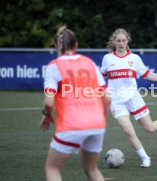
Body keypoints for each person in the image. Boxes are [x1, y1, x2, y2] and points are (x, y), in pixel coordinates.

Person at [100, 28, 157, 168]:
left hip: (133, 98)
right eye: (118, 40)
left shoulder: (135, 58)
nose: (120, 43)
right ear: (114, 41)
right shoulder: (107, 59)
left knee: (149, 128)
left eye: (123, 40)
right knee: (128, 130)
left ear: (127, 41)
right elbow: (101, 77)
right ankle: (145, 158)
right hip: (116, 101)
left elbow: (148, 74)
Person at [40, 26, 110, 181]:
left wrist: (46, 115)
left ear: (56, 46)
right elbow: (107, 98)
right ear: (76, 45)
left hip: (71, 125)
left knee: (52, 168)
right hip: (97, 124)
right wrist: (101, 118)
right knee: (91, 169)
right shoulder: (90, 63)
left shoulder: (54, 66)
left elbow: (48, 103)